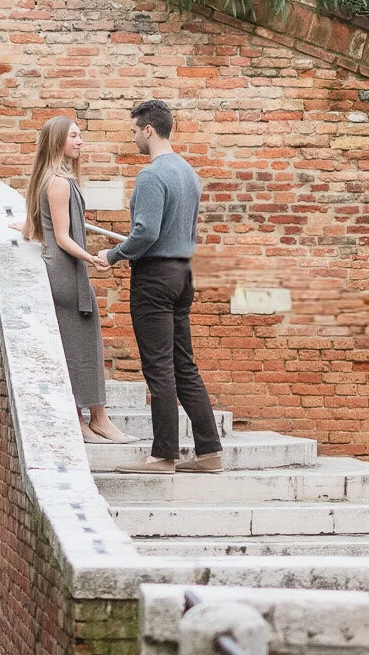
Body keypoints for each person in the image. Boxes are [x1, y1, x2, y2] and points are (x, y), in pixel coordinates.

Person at [94, 99, 223, 473]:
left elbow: (146, 231)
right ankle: (209, 452)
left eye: (134, 131)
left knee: (159, 368)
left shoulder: (152, 175)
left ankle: (163, 454)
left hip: (154, 278)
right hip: (184, 274)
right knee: (185, 365)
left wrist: (114, 254)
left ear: (149, 130)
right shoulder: (189, 173)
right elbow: (190, 231)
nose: (133, 138)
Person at [24, 116, 128, 443]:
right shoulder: (58, 182)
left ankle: (92, 418)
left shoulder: (52, 179)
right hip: (66, 272)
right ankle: (91, 419)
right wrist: (93, 258)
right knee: (80, 342)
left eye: (80, 135)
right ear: (58, 141)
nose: (80, 141)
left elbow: (32, 227)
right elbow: (63, 237)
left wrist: (22, 229)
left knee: (79, 343)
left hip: (68, 270)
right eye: (74, 136)